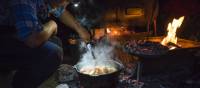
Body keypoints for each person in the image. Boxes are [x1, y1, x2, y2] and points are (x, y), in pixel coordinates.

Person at [0, 0, 90, 88]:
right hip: (4, 36)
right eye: (65, 1)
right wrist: (52, 25)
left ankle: (16, 72)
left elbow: (60, 10)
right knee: (52, 53)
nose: (65, 5)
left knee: (55, 42)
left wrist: (79, 28)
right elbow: (32, 40)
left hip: (13, 31)